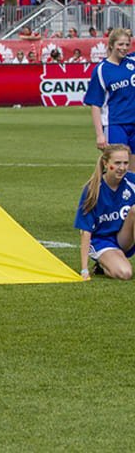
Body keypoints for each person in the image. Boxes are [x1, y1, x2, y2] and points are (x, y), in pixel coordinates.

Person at [75, 144, 135, 281]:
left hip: (123, 237)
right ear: (106, 163)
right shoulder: (93, 189)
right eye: (117, 163)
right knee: (124, 273)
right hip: (101, 241)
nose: (122, 168)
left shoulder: (132, 181)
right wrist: (84, 269)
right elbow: (85, 230)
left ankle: (115, 258)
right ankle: (103, 265)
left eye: (126, 163)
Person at [84, 29, 135, 163]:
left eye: (127, 44)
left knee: (133, 172)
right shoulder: (102, 69)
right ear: (111, 45)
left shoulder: (132, 62)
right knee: (117, 167)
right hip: (115, 125)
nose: (124, 48)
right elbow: (95, 104)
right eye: (120, 44)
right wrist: (100, 135)